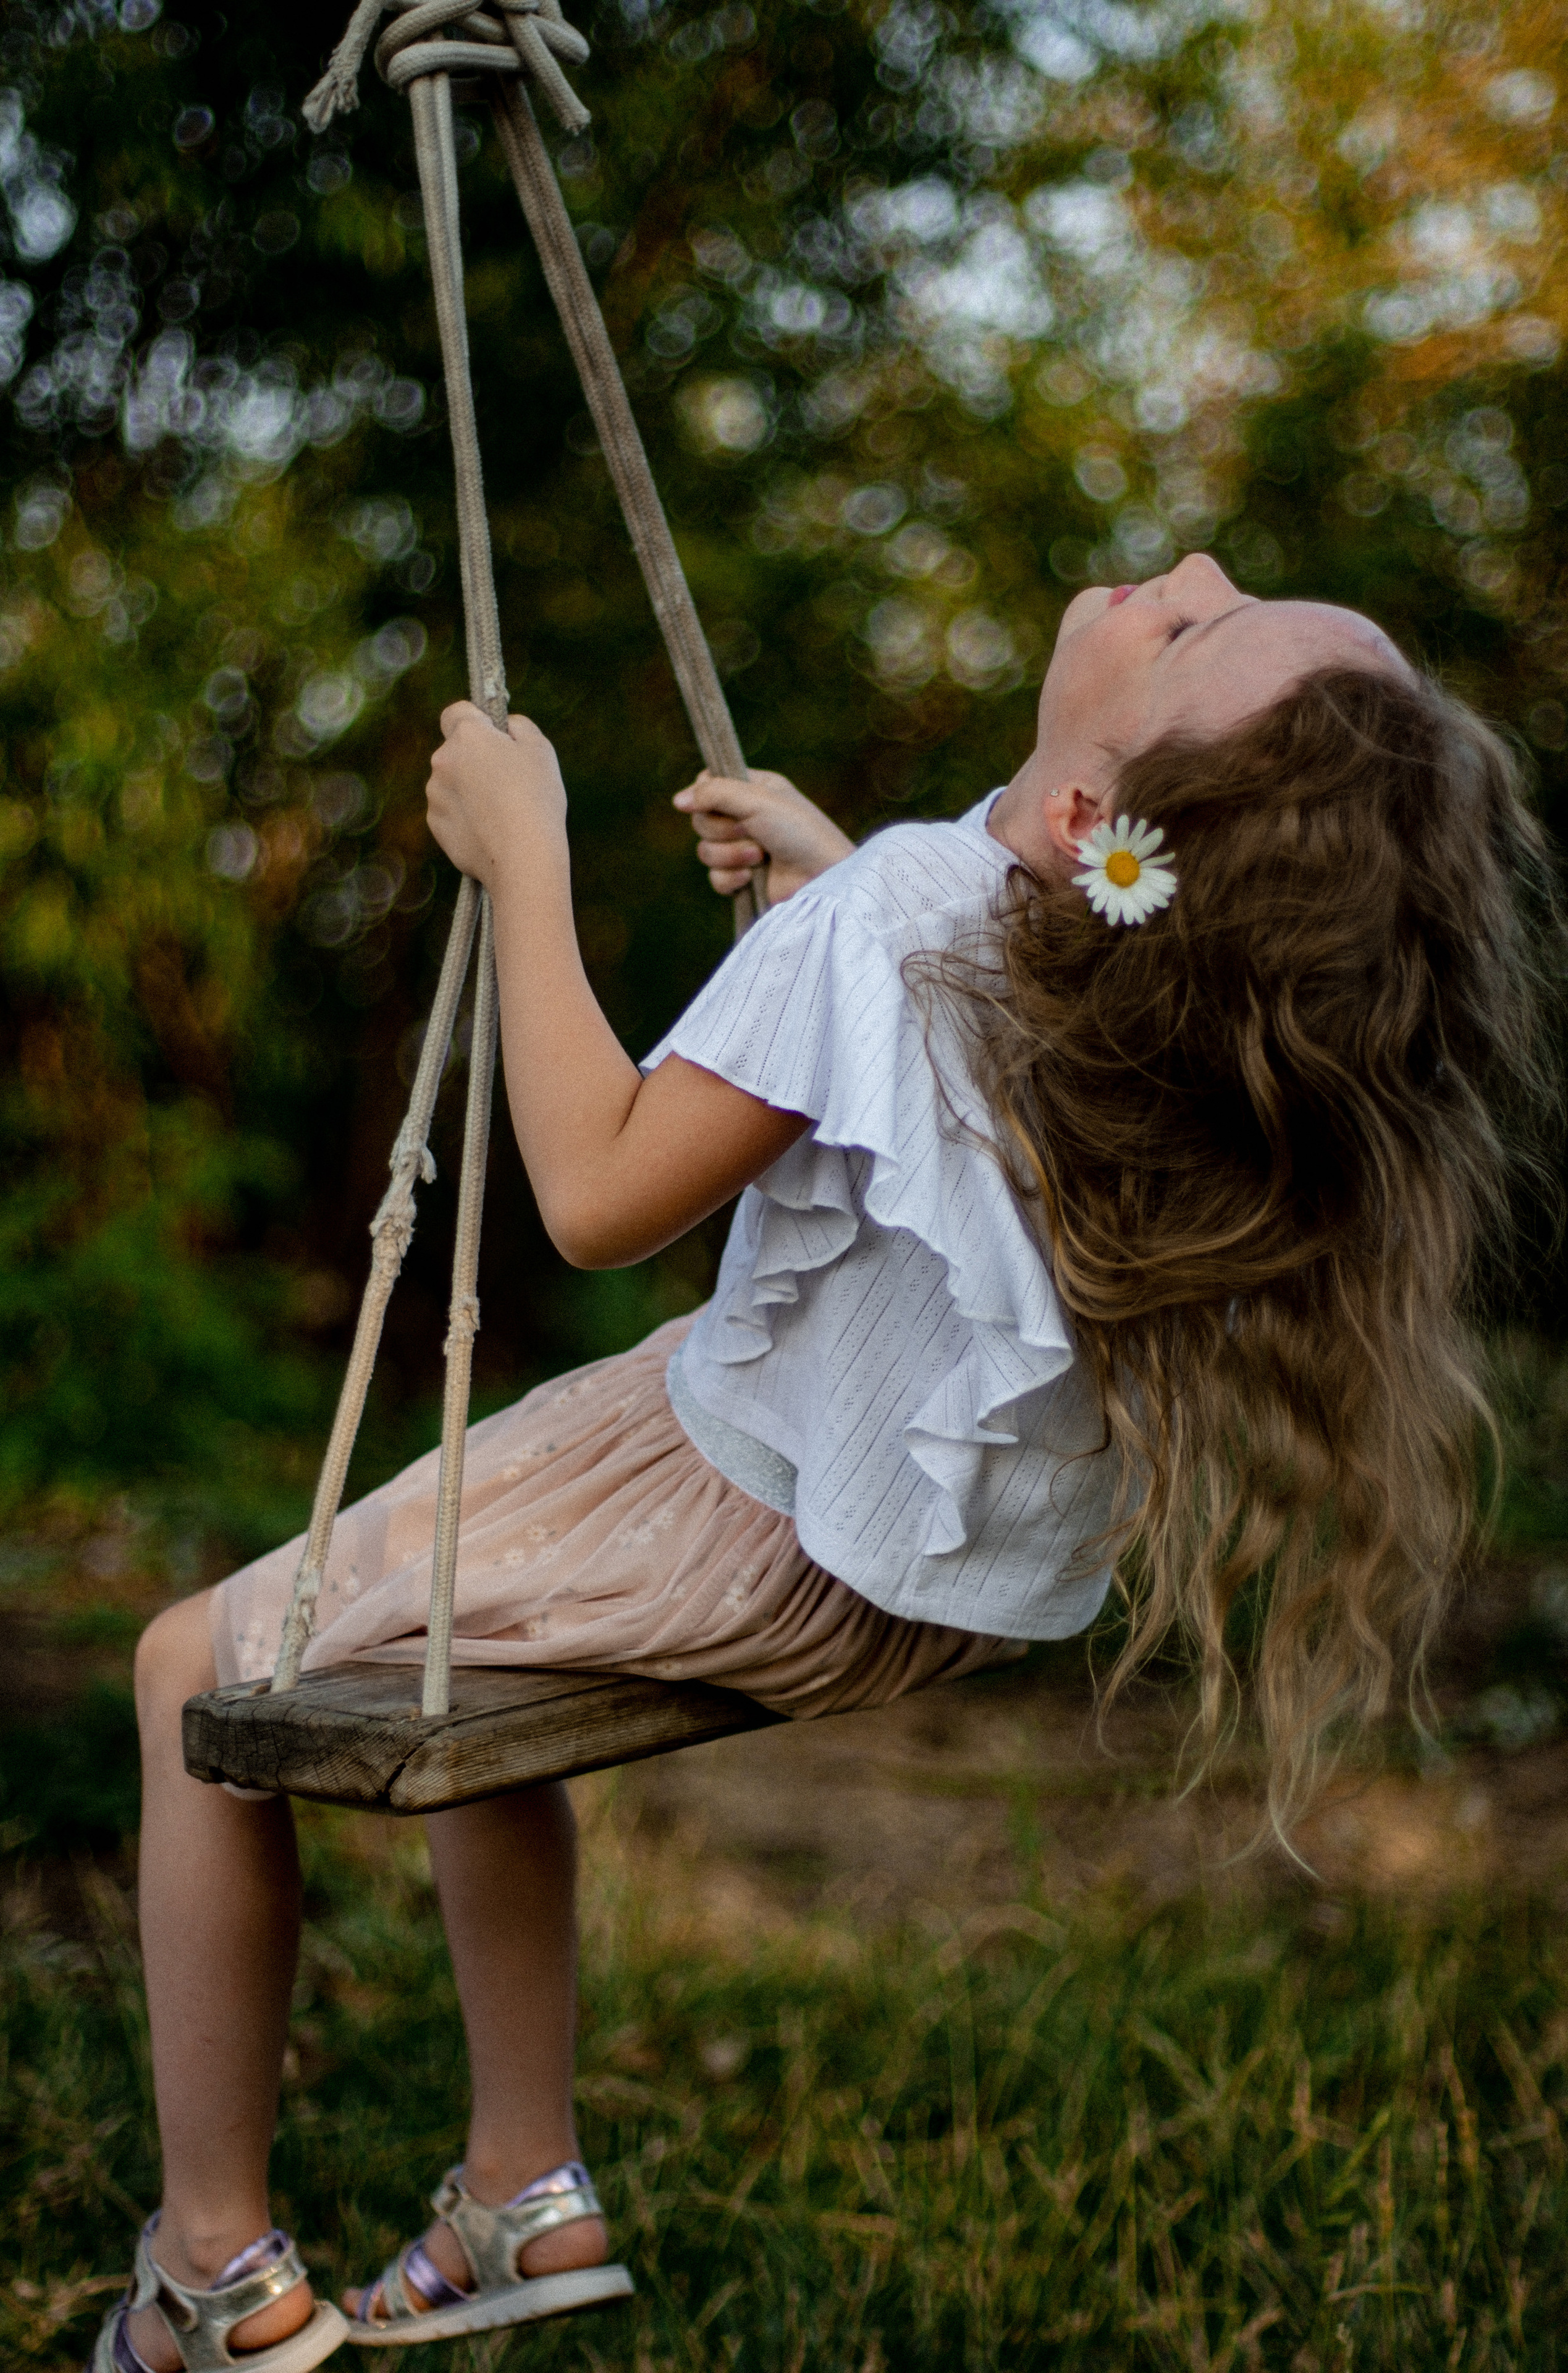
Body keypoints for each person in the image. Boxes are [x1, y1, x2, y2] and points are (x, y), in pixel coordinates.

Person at [91, 555, 1561, 2370]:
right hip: (886, 1590)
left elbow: (600, 1195)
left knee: (184, 1680)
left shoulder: (899, 915)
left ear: (1102, 818)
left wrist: (524, 857)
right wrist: (833, 865)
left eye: (1192, 627)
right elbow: (940, 999)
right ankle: (523, 2185)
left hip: (708, 1509)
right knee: (459, 1690)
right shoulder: (1092, 962)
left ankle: (214, 2272)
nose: (1188, 569)